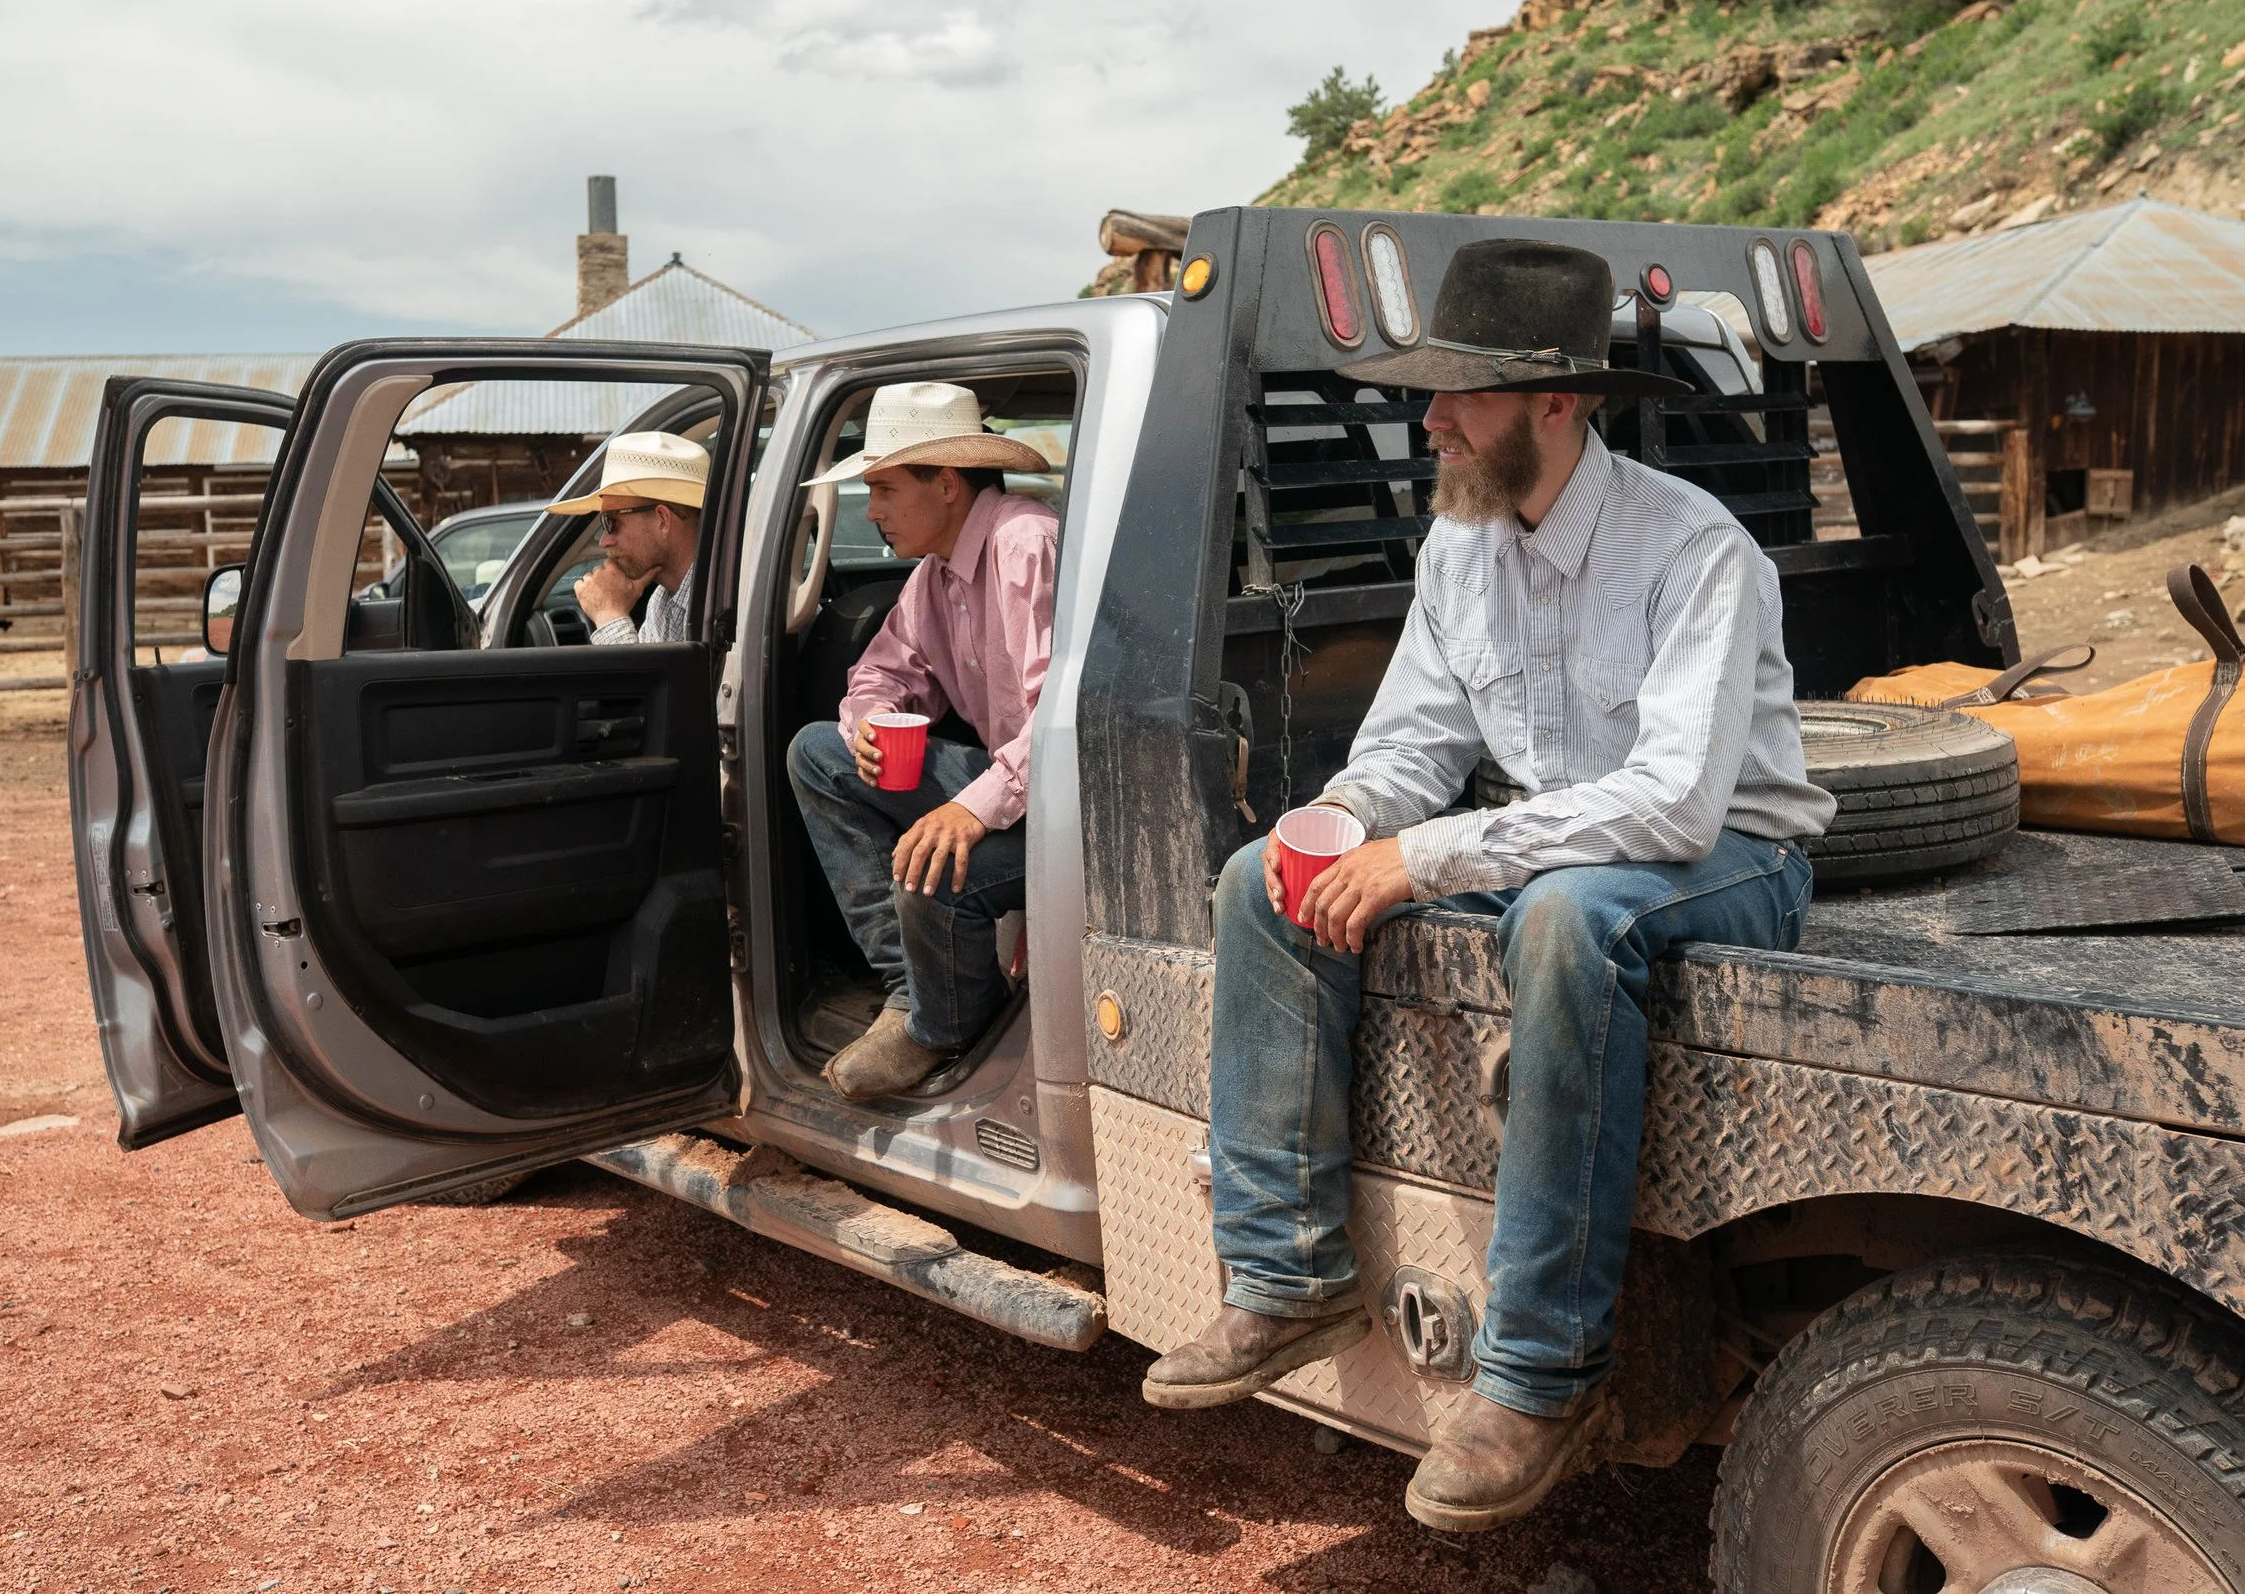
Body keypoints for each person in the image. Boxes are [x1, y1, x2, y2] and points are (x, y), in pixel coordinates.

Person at [1139, 240, 1836, 1533]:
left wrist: (1429, 853)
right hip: (1551, 842)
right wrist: (1342, 818)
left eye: (1459, 393)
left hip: (1727, 854)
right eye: (1430, 391)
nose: (1431, 417)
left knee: (1566, 915)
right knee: (1261, 880)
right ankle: (1287, 1271)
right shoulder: (1459, 549)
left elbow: (1675, 802)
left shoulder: (1699, 552)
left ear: (1558, 402)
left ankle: (1536, 1378)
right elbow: (1414, 745)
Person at [785, 382, 1058, 1102]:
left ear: (945, 484)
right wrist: (870, 719)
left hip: (1075, 801)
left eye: (881, 487)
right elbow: (879, 669)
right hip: (1020, 782)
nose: (871, 510)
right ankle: (912, 993)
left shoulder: (1025, 544)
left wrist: (971, 809)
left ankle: (949, 1026)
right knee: (818, 751)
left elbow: (1069, 720)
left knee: (929, 872)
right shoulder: (935, 576)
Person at [544, 429, 712, 643]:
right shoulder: (661, 601)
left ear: (662, 520)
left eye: (611, 522)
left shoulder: (725, 598)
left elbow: (641, 678)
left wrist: (608, 616)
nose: (604, 541)